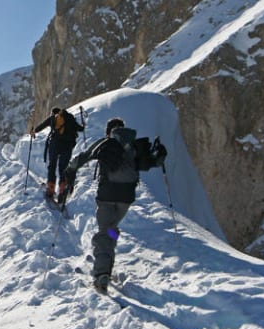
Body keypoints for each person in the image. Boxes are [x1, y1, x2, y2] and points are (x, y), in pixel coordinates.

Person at [63, 117, 167, 293]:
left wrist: (70, 170)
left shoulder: (105, 142)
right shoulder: (133, 145)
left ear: (109, 131)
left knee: (104, 232)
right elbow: (149, 162)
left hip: (107, 194)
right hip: (126, 198)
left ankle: (102, 273)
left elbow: (83, 157)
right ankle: (107, 260)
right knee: (111, 229)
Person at [31, 107, 84, 203]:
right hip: (67, 147)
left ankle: (50, 189)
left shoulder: (53, 119)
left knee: (52, 166)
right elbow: (81, 129)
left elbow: (41, 126)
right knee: (63, 168)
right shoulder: (70, 119)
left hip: (55, 145)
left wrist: (34, 130)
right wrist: (83, 124)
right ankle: (62, 191)